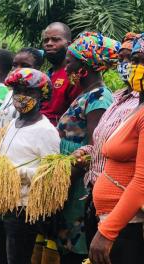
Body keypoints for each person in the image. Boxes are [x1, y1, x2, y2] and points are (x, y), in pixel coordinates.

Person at [0, 68, 60, 264]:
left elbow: (51, 174)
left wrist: (18, 174)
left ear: (42, 96)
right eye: (17, 91)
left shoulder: (46, 131)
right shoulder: (12, 125)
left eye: (28, 92)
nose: (21, 97)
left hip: (20, 210)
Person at [71, 32, 140, 249]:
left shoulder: (108, 99)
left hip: (126, 217)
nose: (127, 65)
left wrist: (109, 230)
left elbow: (141, 179)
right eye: (124, 59)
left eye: (134, 59)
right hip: (98, 201)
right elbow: (103, 142)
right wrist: (86, 151)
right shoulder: (119, 98)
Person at [56, 32, 118, 264]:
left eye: (70, 61)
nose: (66, 65)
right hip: (68, 178)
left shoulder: (100, 98)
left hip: (77, 182)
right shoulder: (86, 94)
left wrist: (64, 178)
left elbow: (94, 149)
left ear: (86, 65)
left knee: (76, 245)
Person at [89, 33, 144, 264]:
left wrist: (107, 232)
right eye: (135, 60)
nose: (136, 67)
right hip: (118, 222)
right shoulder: (135, 108)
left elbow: (142, 180)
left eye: (143, 61)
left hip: (129, 225)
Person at [41, 22, 82, 126]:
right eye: (46, 40)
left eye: (55, 39)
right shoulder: (45, 75)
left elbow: (77, 118)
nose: (49, 43)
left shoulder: (74, 77)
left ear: (69, 44)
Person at [0, 47, 44, 131]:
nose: (17, 69)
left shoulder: (38, 97)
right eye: (14, 65)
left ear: (38, 69)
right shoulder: (9, 94)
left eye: (25, 66)